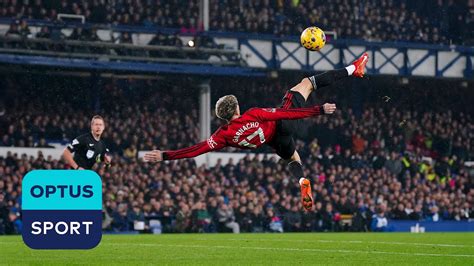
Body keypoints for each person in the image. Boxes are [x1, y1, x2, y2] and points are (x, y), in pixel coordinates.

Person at [145, 53, 369, 211]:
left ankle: (302, 180)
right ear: (236, 108)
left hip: (274, 142)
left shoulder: (222, 135)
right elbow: (284, 115)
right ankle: (353, 68)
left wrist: (165, 155)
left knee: (293, 158)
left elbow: (196, 150)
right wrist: (318, 110)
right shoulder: (252, 114)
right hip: (282, 125)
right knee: (306, 83)